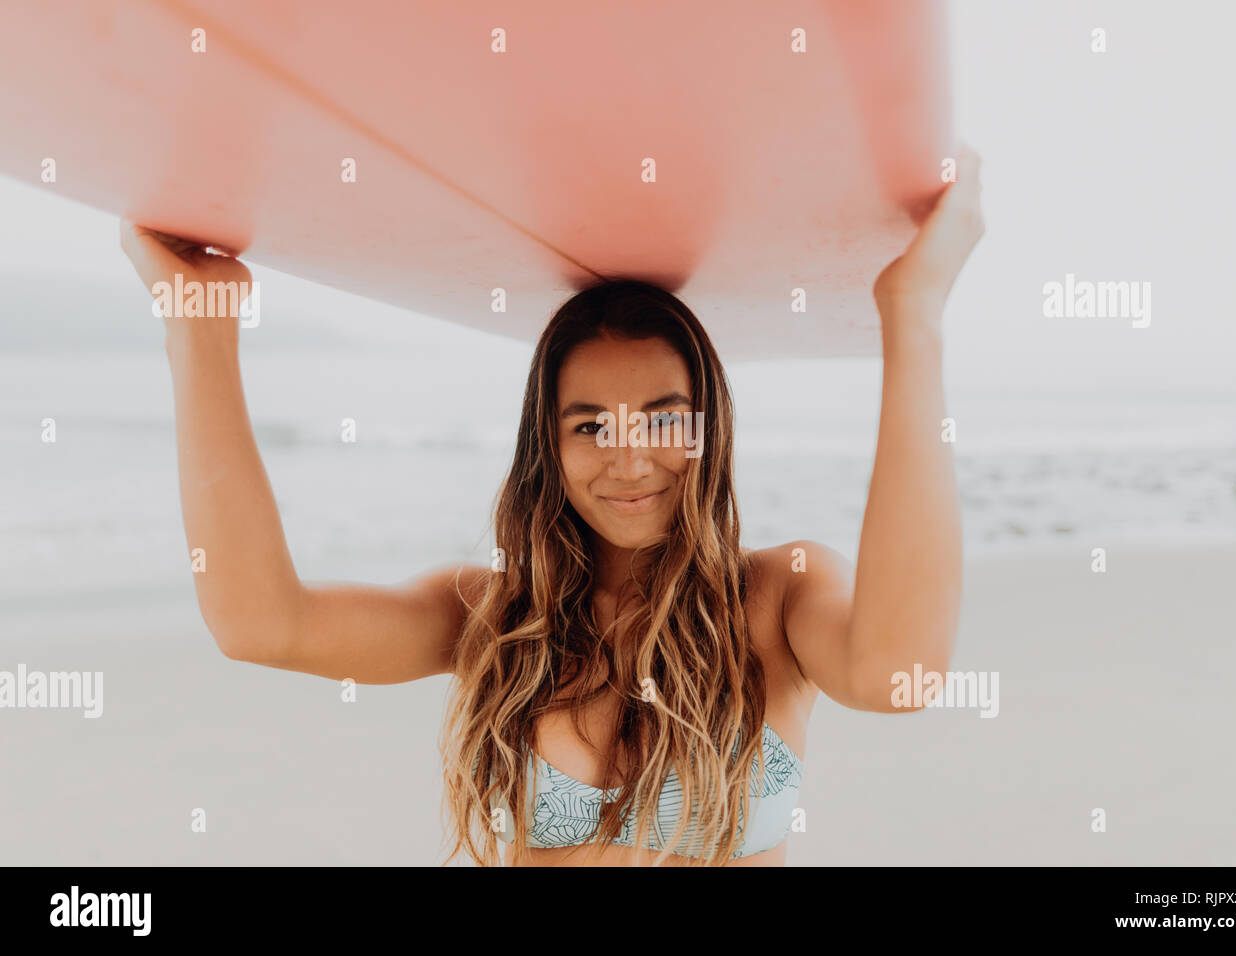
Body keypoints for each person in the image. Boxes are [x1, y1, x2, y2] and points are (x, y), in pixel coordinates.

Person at [119, 146, 985, 866]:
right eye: (589, 426)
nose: (629, 457)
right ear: (548, 447)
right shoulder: (497, 615)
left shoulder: (778, 597)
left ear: (708, 429)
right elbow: (261, 624)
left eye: (662, 418)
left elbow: (897, 675)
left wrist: (912, 316)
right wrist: (201, 333)